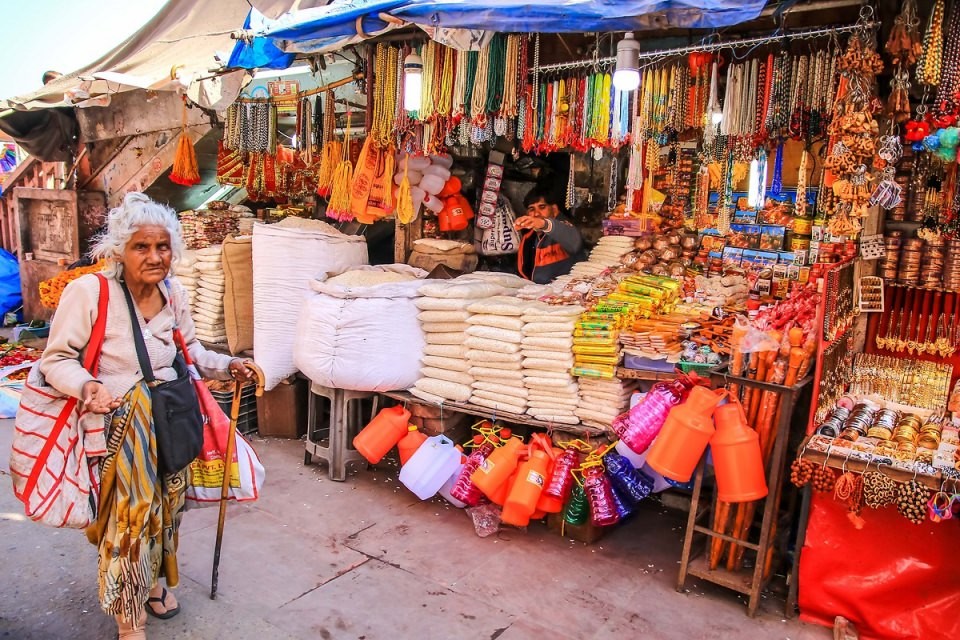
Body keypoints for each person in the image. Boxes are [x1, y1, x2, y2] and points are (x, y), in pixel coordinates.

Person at [37, 192, 255, 639]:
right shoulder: (89, 292)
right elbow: (55, 360)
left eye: (162, 246)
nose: (154, 257)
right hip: (119, 426)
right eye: (141, 247)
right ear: (119, 250)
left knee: (168, 510)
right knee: (131, 517)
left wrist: (226, 365)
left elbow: (188, 351)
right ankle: (127, 611)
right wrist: (87, 386)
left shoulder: (173, 293)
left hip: (171, 416)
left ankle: (154, 583)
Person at [514, 186, 584, 284]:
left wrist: (543, 224)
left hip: (567, 292)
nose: (536, 214)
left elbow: (574, 241)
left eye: (542, 207)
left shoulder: (563, 227)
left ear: (554, 210)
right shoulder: (528, 238)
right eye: (531, 209)